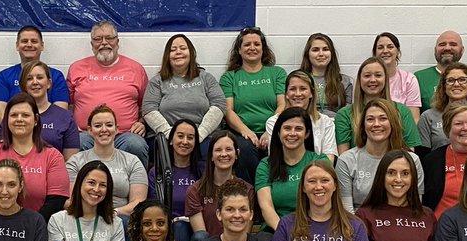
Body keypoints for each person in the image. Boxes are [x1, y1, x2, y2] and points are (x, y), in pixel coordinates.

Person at [0, 94, 69, 219]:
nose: (19, 119)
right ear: (6, 120)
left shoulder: (53, 156)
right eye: (13, 115)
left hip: (38, 228)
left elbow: (56, 200)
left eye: (25, 115)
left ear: (35, 120)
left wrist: (30, 225)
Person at [67, 20, 150, 166]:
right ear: (92, 45)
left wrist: (142, 122)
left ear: (117, 42)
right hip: (87, 134)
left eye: (109, 38)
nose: (104, 42)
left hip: (125, 134)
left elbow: (146, 104)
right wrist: (71, 125)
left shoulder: (136, 69)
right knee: (76, 144)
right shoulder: (76, 68)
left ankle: (136, 188)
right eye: (98, 39)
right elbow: (68, 104)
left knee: (136, 145)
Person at [220, 26, 286, 182]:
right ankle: (252, 196)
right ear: (240, 50)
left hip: (273, 130)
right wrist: (246, 131)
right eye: (247, 44)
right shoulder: (229, 77)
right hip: (241, 133)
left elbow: (283, 105)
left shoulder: (277, 73)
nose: (252, 48)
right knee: (244, 150)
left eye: (257, 44)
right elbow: (228, 110)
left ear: (263, 49)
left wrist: (270, 130)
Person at [337, 98, 424, 212]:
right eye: (370, 119)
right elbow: (346, 210)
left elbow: (416, 206)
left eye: (383, 118)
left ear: (393, 123)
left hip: (400, 224)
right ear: (363, 125)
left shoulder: (412, 160)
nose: (376, 124)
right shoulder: (347, 160)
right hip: (360, 226)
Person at [256, 108, 332, 230]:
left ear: (307, 133)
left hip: (312, 229)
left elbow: (325, 203)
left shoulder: (320, 162)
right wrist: (285, 233)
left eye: (298, 129)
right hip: (276, 230)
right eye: (287, 128)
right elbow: (266, 206)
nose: (292, 133)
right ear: (278, 133)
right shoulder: (266, 165)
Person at [142, 34, 226, 142]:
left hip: (204, 137)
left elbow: (220, 105)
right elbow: (148, 109)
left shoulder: (206, 78)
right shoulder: (157, 81)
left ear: (191, 53)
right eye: (173, 50)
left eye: (183, 48)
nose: (178, 52)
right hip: (168, 138)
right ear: (167, 56)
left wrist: (199, 135)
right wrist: (171, 135)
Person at [335, 58, 422, 154]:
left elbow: (409, 154)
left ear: (386, 78)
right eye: (367, 76)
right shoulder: (344, 114)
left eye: (378, 75)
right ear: (359, 79)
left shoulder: (402, 111)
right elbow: (344, 157)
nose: (372, 80)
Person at [0, 26, 69, 122]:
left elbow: (61, 111)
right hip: (15, 131)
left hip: (48, 132)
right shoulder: (3, 76)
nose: (29, 45)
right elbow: (0, 114)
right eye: (24, 41)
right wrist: (21, 130)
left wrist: (38, 130)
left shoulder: (56, 76)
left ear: (42, 46)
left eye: (34, 41)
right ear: (17, 45)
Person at [187, 131, 254, 239]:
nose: (223, 154)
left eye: (228, 149)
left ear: (237, 154)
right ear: (211, 156)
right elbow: (201, 237)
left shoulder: (247, 189)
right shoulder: (195, 190)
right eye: (218, 150)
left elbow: (244, 234)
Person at [150, 119, 205, 241]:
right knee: (179, 227)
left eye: (190, 138)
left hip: (200, 227)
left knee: (201, 236)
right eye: (180, 136)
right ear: (171, 140)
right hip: (169, 229)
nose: (185, 141)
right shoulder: (158, 171)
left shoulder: (204, 170)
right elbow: (154, 206)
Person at [417, 62, 467, 154]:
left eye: (462, 79)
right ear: (443, 86)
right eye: (451, 80)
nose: (456, 84)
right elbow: (423, 155)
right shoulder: (428, 117)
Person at [264, 70, 338, 161]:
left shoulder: (326, 122)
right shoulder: (273, 122)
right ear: (286, 94)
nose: (298, 94)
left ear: (311, 93)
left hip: (318, 173)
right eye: (292, 89)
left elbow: (329, 159)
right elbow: (276, 157)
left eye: (303, 89)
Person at [414, 31, 467, 110]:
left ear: (462, 50)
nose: (447, 48)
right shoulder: (419, 77)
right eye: (442, 44)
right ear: (435, 50)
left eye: (453, 44)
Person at [19, 61, 79, 159]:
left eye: (40, 77)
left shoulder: (65, 117)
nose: (35, 82)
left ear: (49, 83)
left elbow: (71, 162)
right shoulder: (13, 116)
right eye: (29, 78)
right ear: (23, 85)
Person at [372, 32, 421, 121]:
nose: (385, 51)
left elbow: (414, 119)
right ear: (375, 52)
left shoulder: (409, 79)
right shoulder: (366, 80)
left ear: (398, 51)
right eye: (380, 47)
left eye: (390, 47)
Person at [303, 33, 352, 118]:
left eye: (325, 49)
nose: (321, 54)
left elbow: (347, 113)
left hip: (336, 126)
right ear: (308, 54)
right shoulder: (299, 79)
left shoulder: (343, 81)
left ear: (331, 53)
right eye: (315, 50)